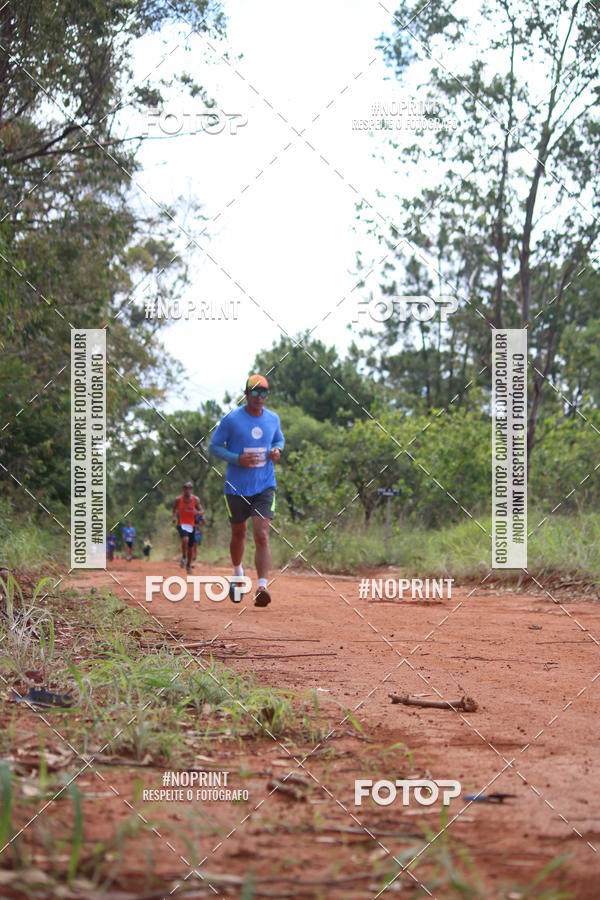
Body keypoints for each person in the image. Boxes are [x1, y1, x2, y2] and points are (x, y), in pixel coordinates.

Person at [208, 373, 284, 607]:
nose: (259, 396)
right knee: (238, 534)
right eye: (255, 392)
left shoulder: (273, 419)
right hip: (236, 487)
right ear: (246, 394)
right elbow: (213, 447)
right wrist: (236, 459)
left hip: (264, 485)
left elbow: (278, 440)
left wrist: (277, 451)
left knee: (261, 534)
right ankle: (237, 573)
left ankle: (262, 586)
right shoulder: (231, 419)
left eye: (263, 392)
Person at [172, 482, 204, 573]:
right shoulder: (178, 499)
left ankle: (188, 565)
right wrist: (174, 517)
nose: (187, 490)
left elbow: (202, 511)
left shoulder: (195, 500)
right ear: (183, 489)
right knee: (185, 539)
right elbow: (174, 509)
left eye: (189, 488)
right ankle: (183, 556)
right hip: (181, 524)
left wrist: (197, 512)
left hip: (191, 525)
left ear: (191, 490)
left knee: (190, 547)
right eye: (186, 488)